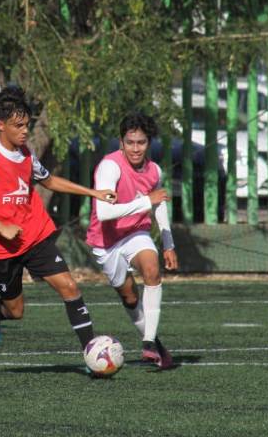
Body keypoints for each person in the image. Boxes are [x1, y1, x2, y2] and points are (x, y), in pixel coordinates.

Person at [0, 86, 117, 355]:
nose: (24, 131)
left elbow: (49, 180)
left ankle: (90, 352)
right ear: (0, 125)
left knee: (69, 287)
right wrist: (0, 226)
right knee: (15, 310)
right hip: (0, 247)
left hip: (34, 234)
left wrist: (94, 192)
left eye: (26, 125)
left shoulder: (25, 152)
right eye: (17, 126)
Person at [85, 112, 179, 369]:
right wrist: (146, 201)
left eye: (141, 142)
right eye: (130, 142)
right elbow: (104, 213)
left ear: (149, 143)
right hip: (105, 241)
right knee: (129, 297)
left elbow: (158, 204)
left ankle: (148, 343)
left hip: (136, 233)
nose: (135, 148)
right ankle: (157, 344)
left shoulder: (154, 170)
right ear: (121, 142)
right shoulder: (109, 166)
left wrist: (168, 243)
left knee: (152, 270)